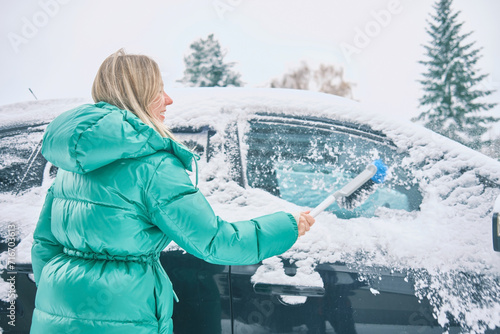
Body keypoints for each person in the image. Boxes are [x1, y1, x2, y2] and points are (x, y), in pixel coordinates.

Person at [30, 49, 315, 334]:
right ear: (137, 95)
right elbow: (215, 241)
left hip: (56, 310)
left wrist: (58, 299)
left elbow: (45, 242)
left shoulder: (72, 164)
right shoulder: (153, 167)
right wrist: (287, 226)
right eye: (158, 90)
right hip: (123, 315)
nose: (169, 99)